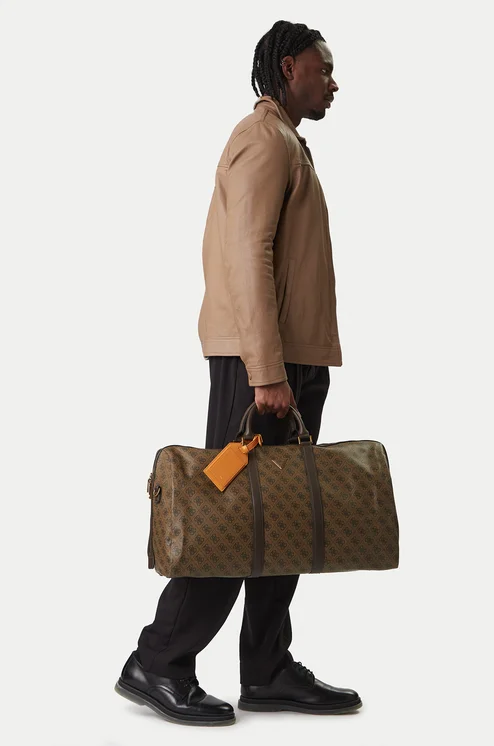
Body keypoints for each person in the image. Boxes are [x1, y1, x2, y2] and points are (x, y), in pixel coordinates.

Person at [115, 19, 361, 726]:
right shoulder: (261, 139)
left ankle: (267, 668)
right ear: (289, 69)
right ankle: (159, 661)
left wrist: (291, 364)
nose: (334, 82)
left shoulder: (286, 140)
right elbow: (248, 256)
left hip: (294, 359)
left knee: (282, 514)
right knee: (230, 510)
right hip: (263, 365)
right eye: (322, 69)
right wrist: (266, 370)